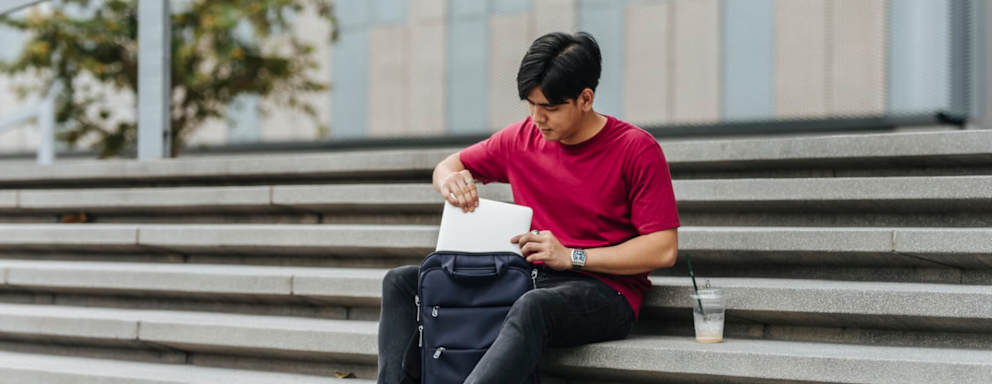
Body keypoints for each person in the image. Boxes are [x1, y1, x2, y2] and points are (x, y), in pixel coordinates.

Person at [377, 31, 680, 384]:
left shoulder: (636, 149)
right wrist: (449, 181)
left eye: (550, 107)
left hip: (604, 292)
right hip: (529, 279)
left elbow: (663, 248)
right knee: (400, 282)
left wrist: (573, 256)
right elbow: (448, 165)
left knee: (532, 306)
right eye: (531, 104)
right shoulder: (519, 139)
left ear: (586, 99)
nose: (537, 117)